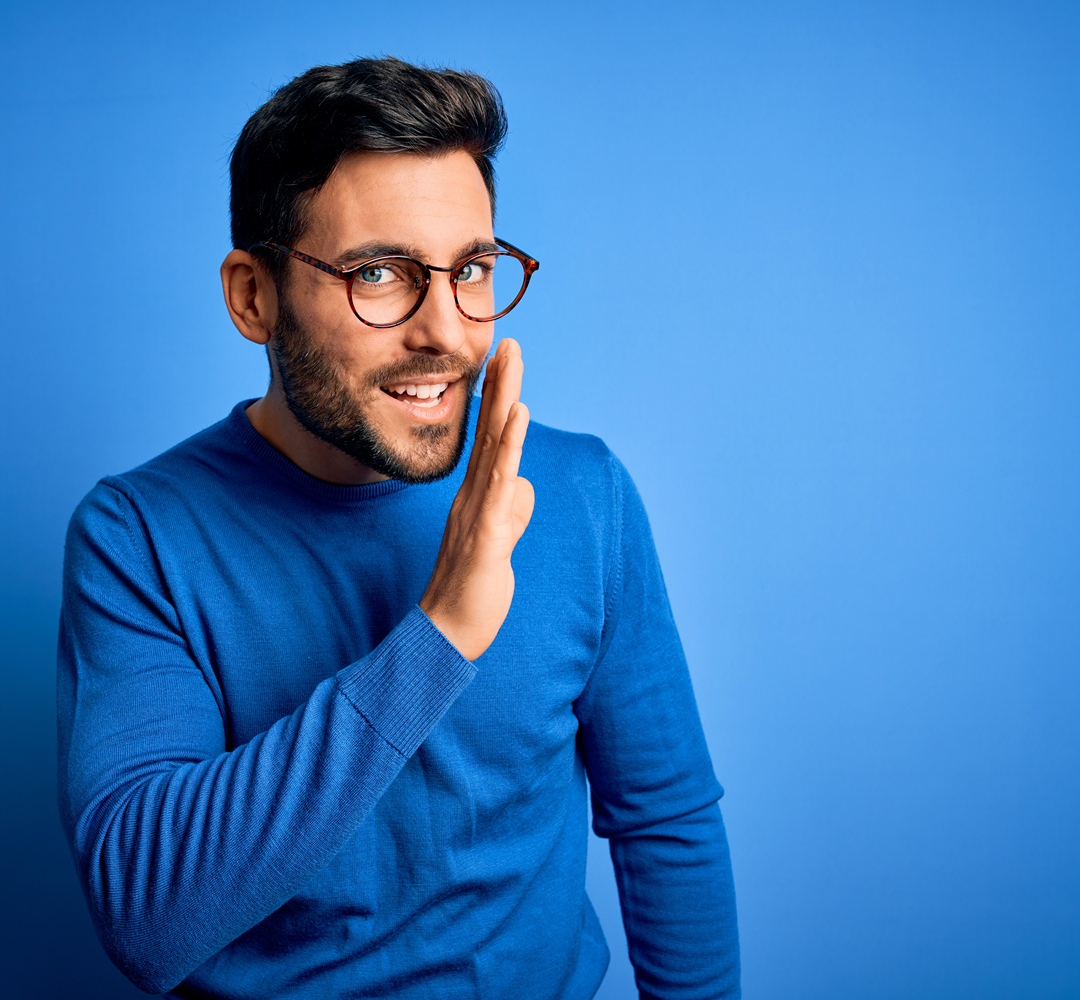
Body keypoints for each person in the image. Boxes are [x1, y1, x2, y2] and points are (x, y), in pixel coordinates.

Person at [56, 57, 740, 999]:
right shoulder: (138, 537)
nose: (448, 332)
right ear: (253, 296)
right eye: (379, 273)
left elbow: (667, 824)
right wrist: (441, 632)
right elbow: (147, 915)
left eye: (470, 270)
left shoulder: (584, 495)